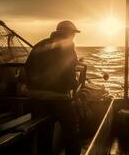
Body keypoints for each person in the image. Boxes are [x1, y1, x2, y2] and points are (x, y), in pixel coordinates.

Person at [25, 20, 81, 155]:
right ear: (67, 33)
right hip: (58, 98)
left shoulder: (39, 45)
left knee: (44, 133)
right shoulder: (67, 46)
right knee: (72, 130)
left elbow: (27, 68)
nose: (74, 37)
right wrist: (75, 85)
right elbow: (68, 73)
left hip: (35, 98)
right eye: (73, 33)